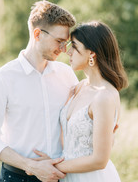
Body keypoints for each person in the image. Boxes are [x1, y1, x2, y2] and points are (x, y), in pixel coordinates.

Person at [0, 0, 79, 182]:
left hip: (63, 176)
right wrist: (31, 166)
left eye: (66, 43)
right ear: (37, 34)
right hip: (17, 177)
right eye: (59, 41)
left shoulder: (67, 75)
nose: (64, 49)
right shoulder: (1, 79)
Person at [34, 21, 128, 182]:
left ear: (92, 54)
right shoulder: (78, 88)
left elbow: (99, 160)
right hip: (68, 176)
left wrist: (53, 167)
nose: (68, 52)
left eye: (74, 46)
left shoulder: (104, 96)